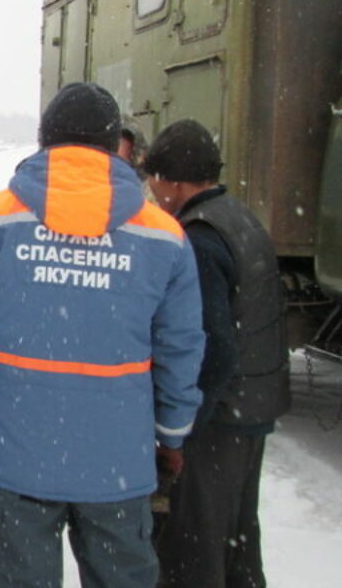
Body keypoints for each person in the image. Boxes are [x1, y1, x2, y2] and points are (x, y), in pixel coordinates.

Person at [0, 82, 205, 588]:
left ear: (44, 139)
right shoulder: (163, 234)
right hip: (117, 460)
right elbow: (180, 347)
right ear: (114, 142)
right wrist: (171, 433)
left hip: (17, 458)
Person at [143, 119, 291, 588]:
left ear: (175, 180)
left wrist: (180, 429)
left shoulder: (200, 237)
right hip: (253, 405)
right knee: (236, 540)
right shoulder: (239, 217)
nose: (151, 189)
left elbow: (216, 349)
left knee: (194, 549)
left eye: (154, 178)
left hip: (219, 419)